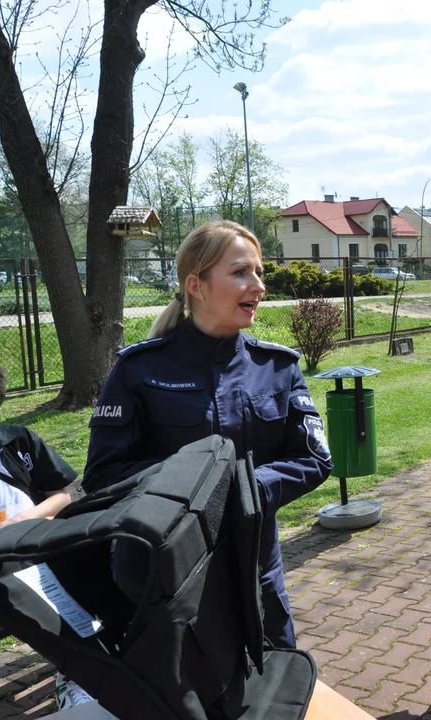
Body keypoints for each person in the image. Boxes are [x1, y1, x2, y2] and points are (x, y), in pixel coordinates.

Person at [83, 220, 333, 649]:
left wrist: (244, 488)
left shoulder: (277, 367)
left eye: (258, 272)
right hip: (163, 572)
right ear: (196, 286)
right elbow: (105, 473)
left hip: (255, 564)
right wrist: (196, 490)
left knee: (275, 675)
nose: (258, 285)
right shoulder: (139, 369)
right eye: (240, 272)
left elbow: (314, 459)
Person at [0, 358, 84, 708]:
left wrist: (25, 520)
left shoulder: (18, 438)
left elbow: (64, 492)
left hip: (41, 547)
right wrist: (31, 529)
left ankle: (88, 670)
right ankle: (78, 673)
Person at [0, 358, 75, 550]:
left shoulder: (20, 439)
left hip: (44, 545)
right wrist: (38, 524)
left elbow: (61, 497)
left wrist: (21, 520)